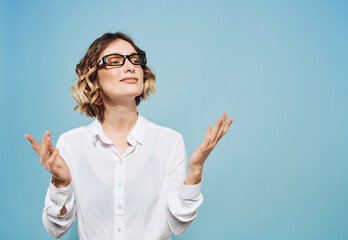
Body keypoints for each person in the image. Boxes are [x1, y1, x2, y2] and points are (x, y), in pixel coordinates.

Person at [24, 31, 233, 240]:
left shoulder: (170, 141)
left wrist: (195, 170)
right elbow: (56, 229)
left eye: (135, 60)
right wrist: (61, 183)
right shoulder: (71, 144)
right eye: (114, 61)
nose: (130, 66)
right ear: (94, 79)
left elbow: (178, 223)